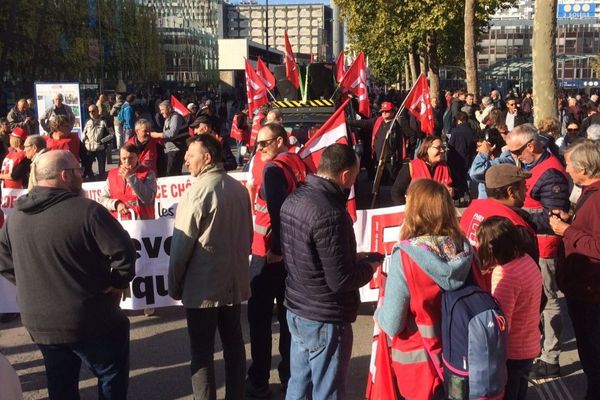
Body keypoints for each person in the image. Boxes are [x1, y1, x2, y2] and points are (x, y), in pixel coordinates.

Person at [0, 150, 136, 400]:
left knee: (60, 380)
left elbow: (4, 261)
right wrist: (116, 285)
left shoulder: (15, 217)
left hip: (40, 322)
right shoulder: (87, 211)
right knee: (110, 371)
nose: (82, 175)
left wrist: (30, 285)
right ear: (65, 175)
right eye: (78, 170)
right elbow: (125, 253)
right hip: (88, 317)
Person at [280, 144, 377, 399]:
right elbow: (340, 279)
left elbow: (306, 254)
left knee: (298, 385)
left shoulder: (295, 199)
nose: (354, 182)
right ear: (345, 176)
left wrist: (350, 258)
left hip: (298, 308)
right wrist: (370, 267)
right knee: (327, 391)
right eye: (354, 176)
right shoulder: (330, 212)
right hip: (324, 315)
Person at [169, 134, 253, 400]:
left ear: (207, 158)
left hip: (203, 291)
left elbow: (181, 248)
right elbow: (248, 236)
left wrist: (174, 285)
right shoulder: (238, 189)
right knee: (234, 347)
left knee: (202, 354)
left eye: (191, 155)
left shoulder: (197, 192)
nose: (185, 159)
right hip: (233, 287)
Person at [375, 179, 473, 400]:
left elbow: (392, 323)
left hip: (421, 363)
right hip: (461, 354)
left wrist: (378, 312)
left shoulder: (407, 255)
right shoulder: (465, 249)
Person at [246, 122, 307, 398]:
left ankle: (258, 380)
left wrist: (276, 248)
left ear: (280, 141)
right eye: (257, 144)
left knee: (259, 320)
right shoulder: (297, 162)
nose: (259, 149)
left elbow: (278, 211)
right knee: (286, 318)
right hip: (289, 253)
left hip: (268, 253)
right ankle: (288, 376)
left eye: (264, 143)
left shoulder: (273, 169)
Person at [505, 124, 570, 379]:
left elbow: (554, 218)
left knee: (549, 299)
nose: (516, 156)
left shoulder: (551, 173)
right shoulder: (531, 165)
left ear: (531, 145)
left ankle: (551, 357)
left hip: (545, 247)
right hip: (532, 244)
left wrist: (518, 213)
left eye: (518, 151)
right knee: (538, 300)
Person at [550, 140, 600, 399]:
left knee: (594, 356)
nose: (566, 169)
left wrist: (567, 231)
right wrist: (572, 221)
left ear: (584, 169)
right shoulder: (589, 193)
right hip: (583, 288)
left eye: (569, 165)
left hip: (591, 292)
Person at [476, 217, 542, 400]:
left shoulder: (505, 275)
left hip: (512, 352)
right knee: (520, 390)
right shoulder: (526, 260)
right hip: (529, 344)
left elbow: (501, 325)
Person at [99, 143, 157, 221]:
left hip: (142, 223)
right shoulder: (112, 174)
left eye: (131, 158)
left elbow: (148, 198)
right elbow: (102, 199)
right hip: (118, 222)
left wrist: (131, 177)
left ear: (138, 157)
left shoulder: (148, 173)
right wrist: (116, 204)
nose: (127, 162)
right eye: (124, 158)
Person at [348, 101, 403, 181]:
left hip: (389, 160)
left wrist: (400, 161)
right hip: (377, 157)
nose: (384, 113)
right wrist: (349, 122)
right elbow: (364, 123)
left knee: (390, 180)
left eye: (386, 111)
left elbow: (400, 144)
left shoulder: (395, 126)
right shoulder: (378, 121)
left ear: (392, 112)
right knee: (378, 181)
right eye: (382, 111)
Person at [391, 135, 453, 205]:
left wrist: (453, 192)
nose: (442, 150)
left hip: (440, 212)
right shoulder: (411, 167)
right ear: (427, 149)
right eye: (438, 148)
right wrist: (406, 209)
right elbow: (396, 192)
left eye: (443, 148)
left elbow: (459, 189)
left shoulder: (446, 167)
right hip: (416, 212)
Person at [150, 100, 186, 176]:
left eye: (162, 110)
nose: (161, 112)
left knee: (172, 173)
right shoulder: (168, 118)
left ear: (169, 109)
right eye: (160, 110)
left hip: (176, 149)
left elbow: (172, 133)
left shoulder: (175, 117)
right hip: (170, 149)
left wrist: (157, 135)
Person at [447, 111, 475, 204]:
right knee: (464, 178)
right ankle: (466, 195)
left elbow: (451, 145)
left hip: (456, 158)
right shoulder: (471, 130)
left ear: (459, 120)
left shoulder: (455, 131)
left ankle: (459, 198)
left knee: (456, 179)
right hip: (468, 159)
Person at [82, 104, 111, 180]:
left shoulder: (104, 121)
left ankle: (101, 183)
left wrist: (102, 141)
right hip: (89, 149)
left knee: (102, 170)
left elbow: (112, 134)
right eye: (89, 112)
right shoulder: (87, 122)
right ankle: (92, 181)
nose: (91, 113)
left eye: (93, 111)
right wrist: (84, 138)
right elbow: (84, 132)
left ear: (98, 111)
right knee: (87, 168)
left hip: (100, 149)